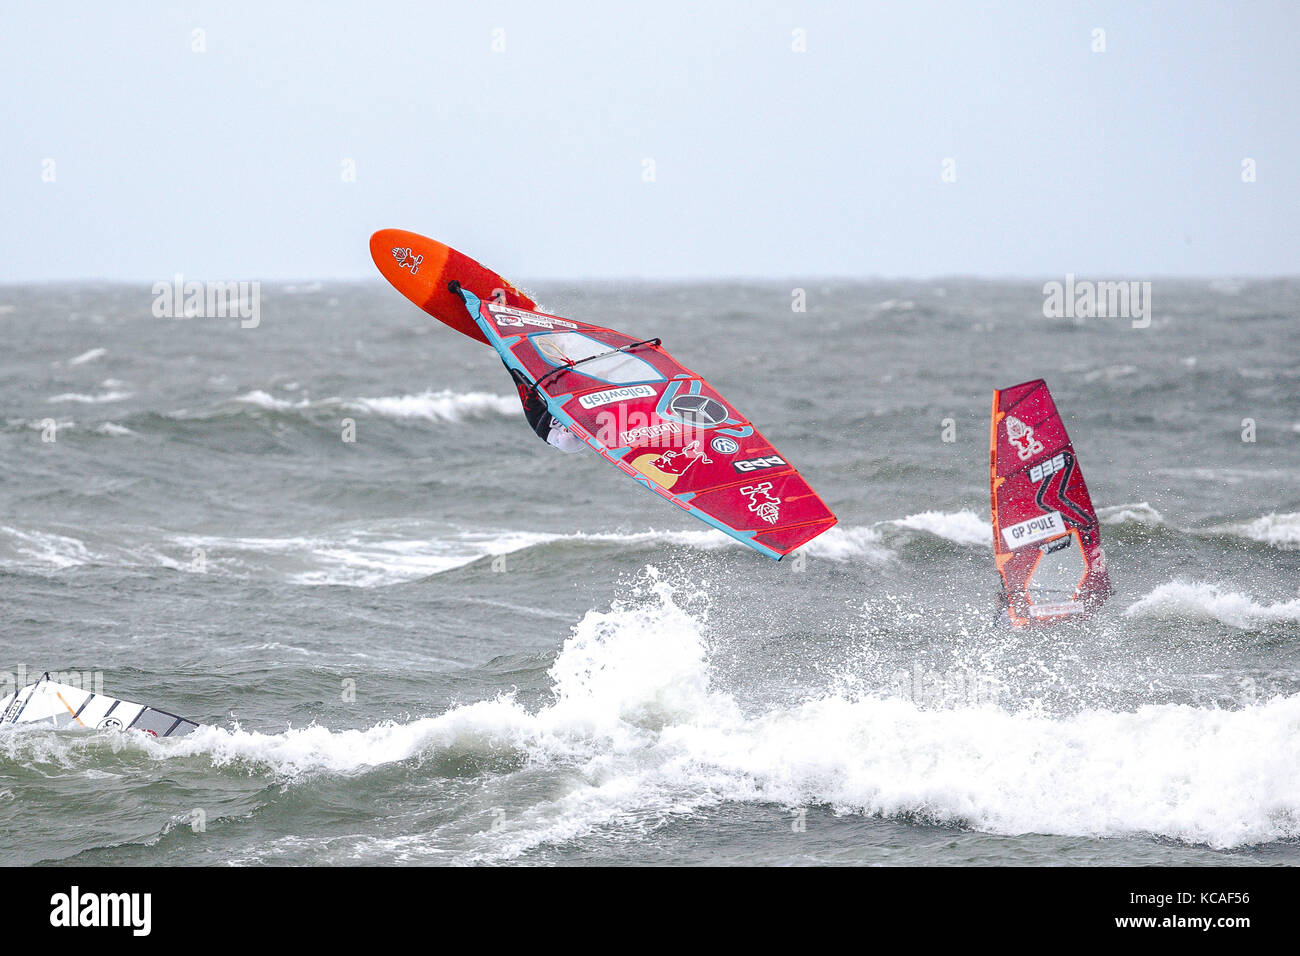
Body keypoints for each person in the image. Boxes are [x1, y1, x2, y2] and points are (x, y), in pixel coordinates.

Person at [509, 369, 585, 453]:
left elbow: (541, 430)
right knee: (554, 373)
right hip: (557, 409)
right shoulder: (592, 423)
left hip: (539, 418)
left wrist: (550, 409)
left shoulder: (568, 443)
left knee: (519, 378)